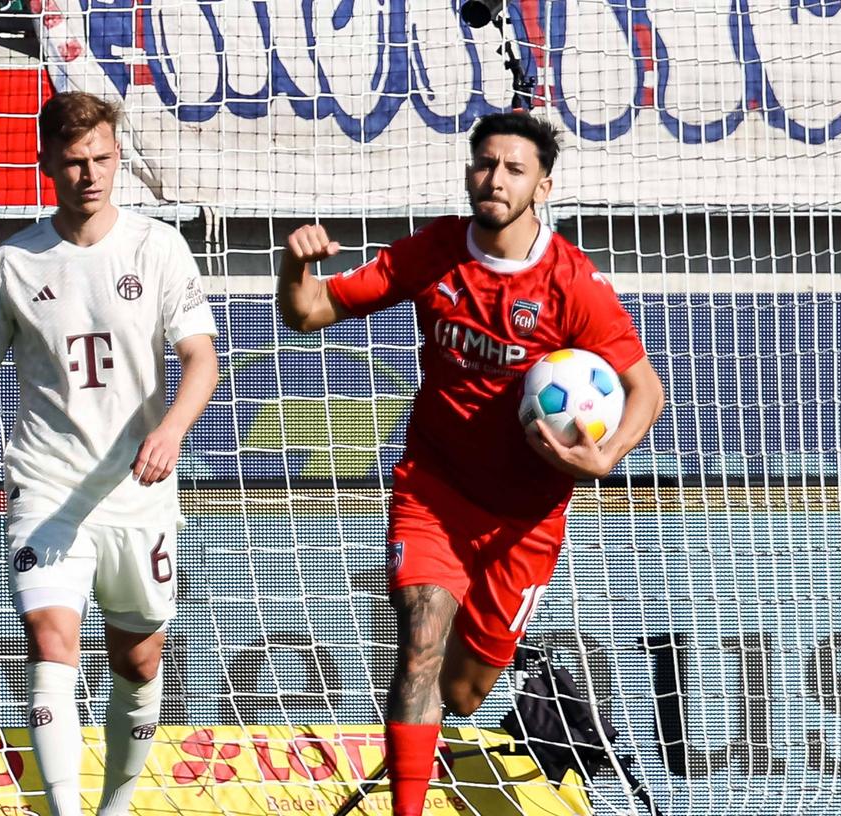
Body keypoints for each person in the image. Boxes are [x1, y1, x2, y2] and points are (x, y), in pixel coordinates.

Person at [277, 111, 664, 815]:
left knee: (462, 693)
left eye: (515, 169)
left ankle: (504, 671)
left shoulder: (571, 285)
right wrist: (295, 264)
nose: (496, 179)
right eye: (486, 164)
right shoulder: (433, 253)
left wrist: (605, 455)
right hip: (435, 490)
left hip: (525, 521)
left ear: (543, 186)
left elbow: (646, 388)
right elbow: (307, 315)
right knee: (419, 645)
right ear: (467, 172)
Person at [0, 91, 218, 816]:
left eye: (103, 159)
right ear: (45, 162)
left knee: (137, 660)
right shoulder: (15, 260)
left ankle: (118, 802)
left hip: (136, 494)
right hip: (45, 486)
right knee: (51, 644)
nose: (91, 175)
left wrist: (170, 429)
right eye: (74, 162)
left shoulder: (156, 247)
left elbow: (200, 357)